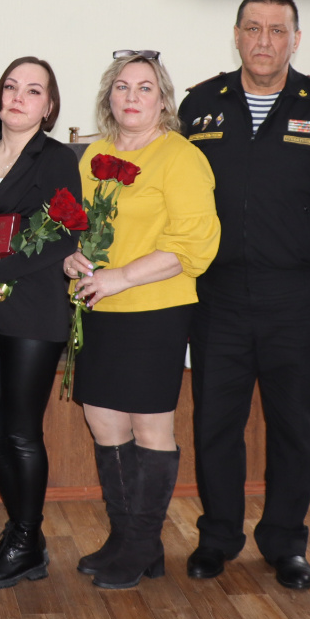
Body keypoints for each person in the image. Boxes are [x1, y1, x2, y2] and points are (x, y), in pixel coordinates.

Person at [177, 0, 310, 590]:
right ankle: (218, 537)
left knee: (292, 429)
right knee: (215, 425)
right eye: (253, 28)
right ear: (236, 35)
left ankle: (286, 542)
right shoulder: (200, 105)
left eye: (277, 30)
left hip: (299, 300)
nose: (264, 41)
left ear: (296, 39)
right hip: (217, 298)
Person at [63, 51, 220, 589]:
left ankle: (141, 543)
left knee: (151, 426)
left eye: (145, 87)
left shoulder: (181, 157)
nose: (132, 96)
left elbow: (194, 245)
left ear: (163, 99)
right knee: (103, 420)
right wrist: (72, 257)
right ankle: (127, 538)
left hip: (155, 308)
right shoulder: (94, 154)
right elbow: (76, 224)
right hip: (98, 307)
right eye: (122, 87)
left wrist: (122, 277)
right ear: (108, 96)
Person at [0, 56, 80, 589]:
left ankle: (25, 542)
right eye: (11, 86)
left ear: (49, 107)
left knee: (20, 431)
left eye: (33, 90)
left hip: (33, 307)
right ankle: (26, 536)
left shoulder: (56, 158)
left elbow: (64, 234)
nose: (18, 97)